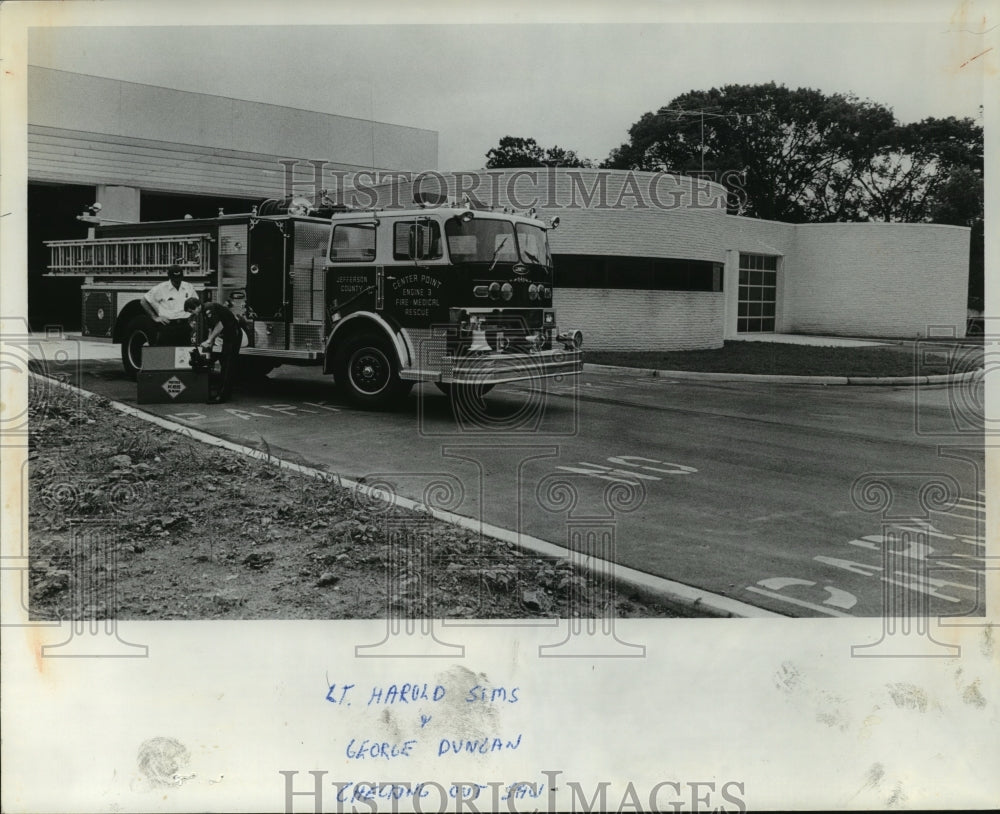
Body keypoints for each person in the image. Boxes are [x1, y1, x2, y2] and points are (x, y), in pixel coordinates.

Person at [184, 297, 242, 403]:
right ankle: (224, 393)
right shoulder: (205, 311)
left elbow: (219, 326)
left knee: (227, 365)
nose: (192, 313)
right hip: (228, 335)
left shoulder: (208, 308)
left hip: (233, 334)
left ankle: (222, 396)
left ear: (196, 306)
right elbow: (211, 328)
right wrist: (209, 343)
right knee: (224, 362)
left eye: (191, 310)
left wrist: (210, 340)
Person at [142, 265, 199, 345]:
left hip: (184, 326)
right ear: (170, 277)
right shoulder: (161, 288)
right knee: (165, 355)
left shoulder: (188, 287)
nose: (177, 281)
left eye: (179, 279)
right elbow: (144, 301)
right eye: (174, 279)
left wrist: (192, 320)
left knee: (184, 355)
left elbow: (196, 305)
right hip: (168, 327)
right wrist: (155, 317)